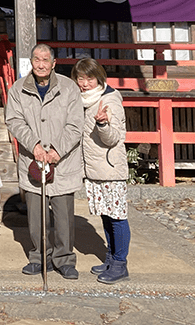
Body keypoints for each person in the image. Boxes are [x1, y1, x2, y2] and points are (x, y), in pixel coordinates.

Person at [4, 43, 83, 279]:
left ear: (53, 63)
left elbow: (76, 124)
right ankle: (39, 256)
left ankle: (64, 258)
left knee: (63, 214)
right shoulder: (18, 89)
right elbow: (14, 120)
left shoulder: (69, 88)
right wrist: (35, 145)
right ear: (31, 62)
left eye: (45, 60)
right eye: (36, 59)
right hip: (34, 160)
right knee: (36, 215)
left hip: (63, 161)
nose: (40, 64)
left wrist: (57, 151)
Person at [73, 57, 130, 284]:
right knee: (106, 217)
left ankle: (120, 263)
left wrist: (103, 124)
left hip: (110, 168)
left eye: (89, 78)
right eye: (80, 78)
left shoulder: (109, 100)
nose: (84, 83)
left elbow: (114, 138)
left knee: (117, 218)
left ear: (99, 77)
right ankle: (110, 257)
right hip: (95, 169)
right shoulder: (84, 100)